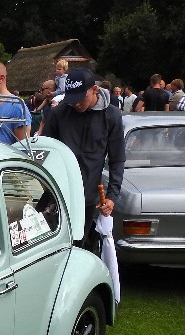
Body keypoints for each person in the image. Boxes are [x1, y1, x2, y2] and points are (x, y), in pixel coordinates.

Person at [42, 68, 125, 247]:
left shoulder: (112, 116)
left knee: (77, 245)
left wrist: (112, 196)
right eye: (72, 100)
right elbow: (47, 152)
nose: (76, 104)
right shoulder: (59, 113)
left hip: (88, 197)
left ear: (94, 90)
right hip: (57, 193)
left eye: (81, 99)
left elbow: (117, 159)